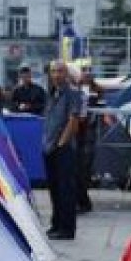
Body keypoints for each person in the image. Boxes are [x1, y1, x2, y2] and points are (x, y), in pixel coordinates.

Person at [43, 61, 80, 240]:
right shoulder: (51, 93)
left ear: (66, 73)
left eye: (60, 71)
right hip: (49, 146)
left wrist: (61, 143)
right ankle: (56, 224)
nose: (56, 75)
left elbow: (73, 121)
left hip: (63, 148)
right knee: (54, 189)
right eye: (53, 72)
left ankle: (67, 228)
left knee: (66, 189)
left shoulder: (72, 93)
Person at [76, 66, 103, 213]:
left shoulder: (97, 90)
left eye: (89, 73)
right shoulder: (75, 89)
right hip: (78, 132)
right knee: (78, 168)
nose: (86, 75)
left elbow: (100, 106)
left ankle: (83, 200)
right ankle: (82, 200)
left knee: (85, 167)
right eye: (84, 72)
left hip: (88, 132)